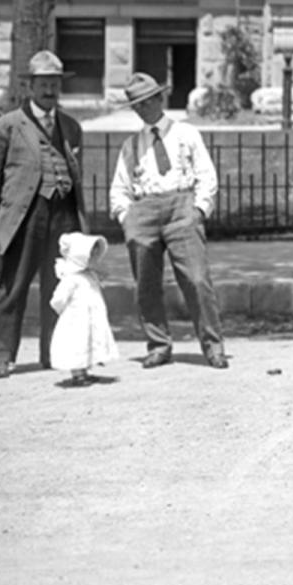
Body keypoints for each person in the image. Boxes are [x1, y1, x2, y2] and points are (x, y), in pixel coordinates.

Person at [107, 72, 229, 369]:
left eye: (148, 101)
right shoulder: (131, 145)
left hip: (181, 208)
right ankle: (159, 344)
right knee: (146, 285)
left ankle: (212, 346)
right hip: (144, 213)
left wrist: (198, 210)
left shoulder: (186, 133)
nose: (143, 108)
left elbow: (206, 175)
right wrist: (128, 219)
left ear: (160, 99)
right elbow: (119, 189)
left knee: (197, 279)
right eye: (137, 105)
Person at [0, 50, 85, 378]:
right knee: (14, 287)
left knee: (59, 288)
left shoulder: (71, 126)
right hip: (27, 215)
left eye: (55, 84)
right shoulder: (6, 126)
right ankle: (2, 357)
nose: (50, 90)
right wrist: (7, 211)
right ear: (31, 86)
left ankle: (52, 353)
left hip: (64, 216)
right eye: (43, 84)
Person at [50, 231, 119, 387]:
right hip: (76, 320)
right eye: (91, 255)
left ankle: (86, 370)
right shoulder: (71, 279)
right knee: (77, 343)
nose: (95, 259)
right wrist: (66, 312)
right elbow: (58, 299)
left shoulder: (90, 276)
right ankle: (77, 374)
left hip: (91, 318)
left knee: (90, 341)